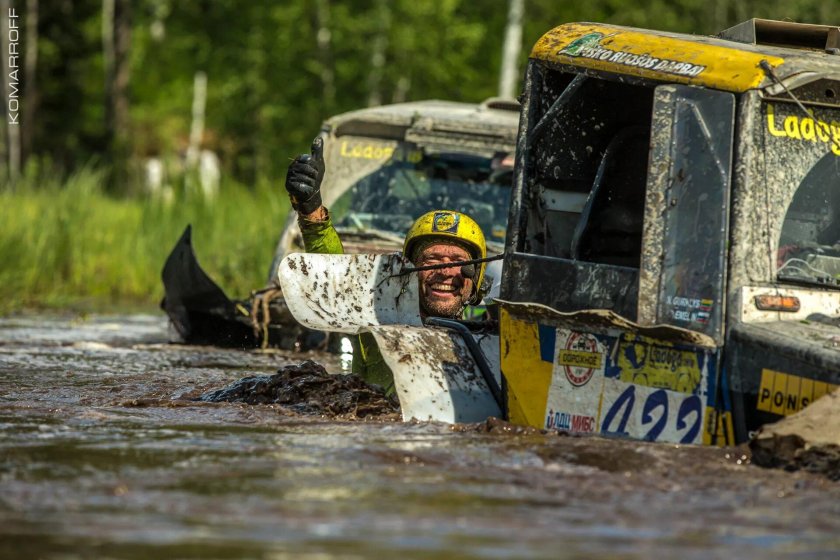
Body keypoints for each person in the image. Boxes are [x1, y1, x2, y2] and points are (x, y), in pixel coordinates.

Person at [284, 137, 488, 394]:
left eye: (458, 262)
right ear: (408, 271)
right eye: (432, 261)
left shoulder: (495, 338)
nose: (446, 272)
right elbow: (335, 275)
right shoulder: (375, 319)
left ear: (476, 276)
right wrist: (311, 209)